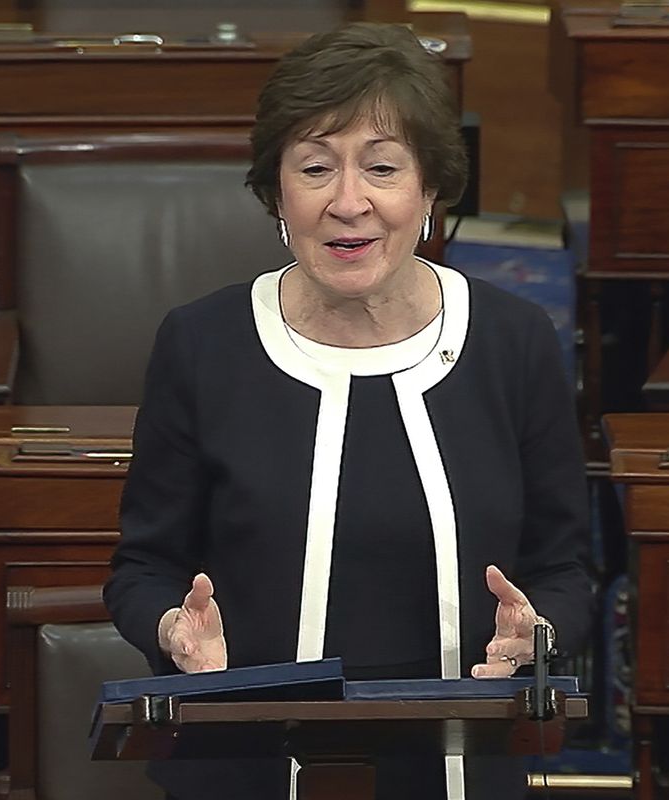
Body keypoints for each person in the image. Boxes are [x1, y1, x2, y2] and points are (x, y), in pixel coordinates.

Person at [104, 21, 594, 800]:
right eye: (315, 167)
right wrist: (170, 629)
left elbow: (565, 568)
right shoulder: (203, 344)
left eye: (382, 167)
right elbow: (142, 569)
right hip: (243, 768)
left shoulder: (514, 343)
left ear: (429, 189)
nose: (349, 202)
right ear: (276, 191)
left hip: (463, 770)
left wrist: (538, 633)